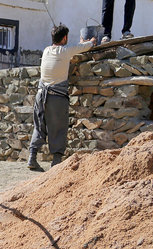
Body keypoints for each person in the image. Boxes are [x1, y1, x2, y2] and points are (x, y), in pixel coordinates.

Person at [27, 25, 95, 171]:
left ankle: (32, 157)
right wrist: (91, 41)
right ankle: (56, 162)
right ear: (64, 38)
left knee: (39, 126)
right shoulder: (65, 51)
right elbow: (85, 47)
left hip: (40, 95)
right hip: (57, 97)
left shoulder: (46, 51)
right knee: (58, 128)